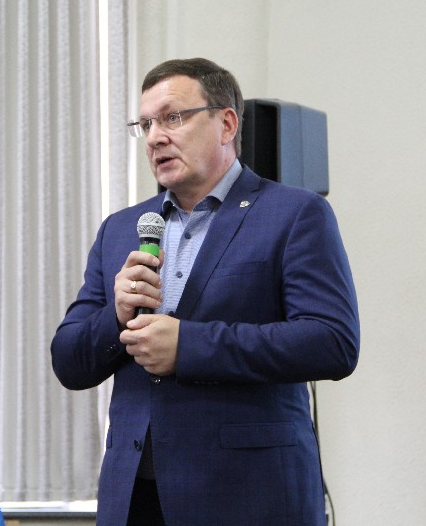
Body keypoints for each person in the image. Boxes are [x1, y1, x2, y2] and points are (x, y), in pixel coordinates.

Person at [51, 57, 360, 525]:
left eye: (173, 117)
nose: (155, 137)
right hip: (135, 498)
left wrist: (189, 346)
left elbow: (332, 342)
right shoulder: (121, 229)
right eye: (146, 124)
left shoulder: (294, 214)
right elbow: (68, 361)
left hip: (248, 497)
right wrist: (115, 316)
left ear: (226, 124)